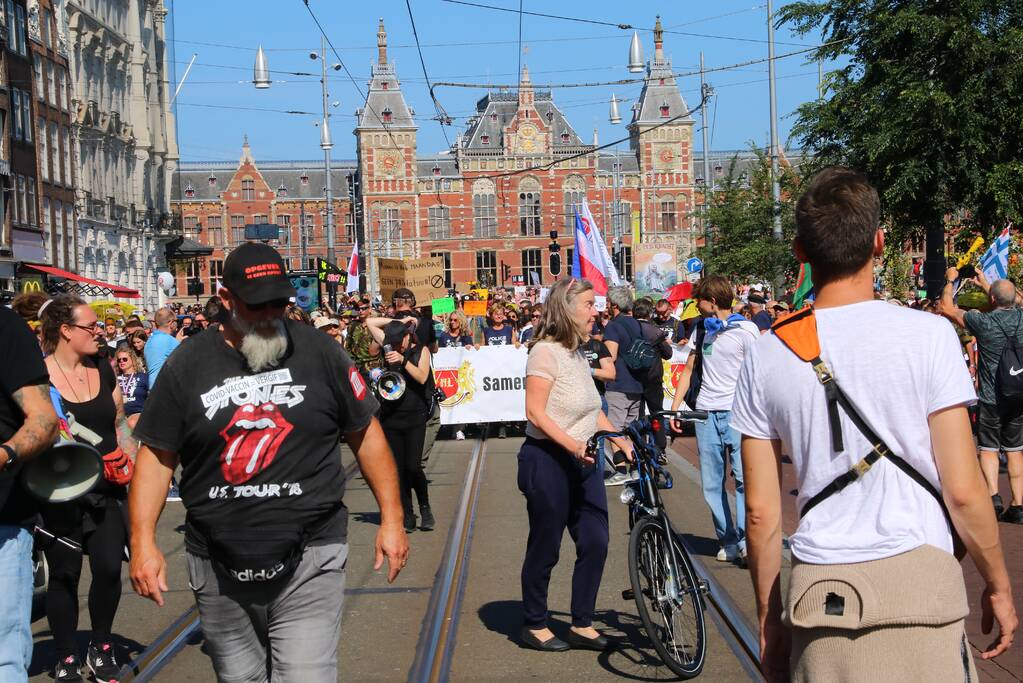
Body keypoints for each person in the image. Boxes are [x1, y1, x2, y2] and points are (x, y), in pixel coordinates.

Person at [735, 167, 1017, 681]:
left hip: (821, 595)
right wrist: (997, 582)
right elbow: (964, 490)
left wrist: (770, 623)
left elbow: (760, 512)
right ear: (879, 242)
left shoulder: (766, 352)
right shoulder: (929, 335)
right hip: (921, 587)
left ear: (800, 251)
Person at [128, 243, 408, 682]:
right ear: (226, 301)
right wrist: (143, 541)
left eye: (279, 302)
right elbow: (157, 458)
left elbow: (366, 435)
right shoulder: (187, 364)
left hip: (312, 553)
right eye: (257, 305)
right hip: (218, 561)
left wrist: (392, 518)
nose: (270, 314)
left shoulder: (320, 353)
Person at [517, 277, 633, 653]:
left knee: (596, 540)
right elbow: (534, 412)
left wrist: (620, 439)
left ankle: (581, 622)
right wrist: (571, 444)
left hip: (584, 460)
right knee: (546, 546)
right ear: (566, 309)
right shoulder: (545, 353)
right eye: (588, 304)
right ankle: (534, 623)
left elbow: (591, 410)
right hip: (548, 460)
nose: (594, 311)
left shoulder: (578, 353)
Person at [40, 294, 139, 682]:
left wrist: (129, 460)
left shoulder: (103, 367)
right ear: (65, 331)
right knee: (64, 574)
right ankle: (65, 655)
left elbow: (118, 422)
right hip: (59, 490)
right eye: (89, 326)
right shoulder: (39, 374)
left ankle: (100, 646)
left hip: (108, 487)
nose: (98, 332)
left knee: (109, 568)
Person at [670, 276, 758, 563]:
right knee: (711, 481)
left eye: (700, 301)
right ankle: (727, 539)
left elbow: (758, 373)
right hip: (706, 411)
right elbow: (689, 368)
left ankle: (747, 540)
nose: (696, 306)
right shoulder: (700, 329)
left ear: (713, 301)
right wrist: (676, 407)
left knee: (745, 479)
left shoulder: (746, 330)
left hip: (737, 412)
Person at [0, 305, 59, 681]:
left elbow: (44, 419)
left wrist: (4, 453)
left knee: (4, 656)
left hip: (2, 524)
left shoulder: (5, 327)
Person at [939, 269, 1023, 523]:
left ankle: (993, 497)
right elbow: (1013, 299)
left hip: (991, 397)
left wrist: (951, 279)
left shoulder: (983, 323)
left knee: (988, 449)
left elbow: (946, 308)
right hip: (1019, 395)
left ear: (993, 300)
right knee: (1015, 451)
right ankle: (1018, 505)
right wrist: (988, 284)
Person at [365, 318, 436, 533]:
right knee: (398, 468)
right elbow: (370, 322)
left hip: (415, 414)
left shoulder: (420, 350)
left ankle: (425, 506)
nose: (395, 346)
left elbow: (422, 377)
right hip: (391, 414)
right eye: (392, 342)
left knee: (413, 466)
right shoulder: (389, 344)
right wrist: (399, 320)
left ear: (407, 337)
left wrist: (403, 361)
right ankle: (407, 511)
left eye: (399, 342)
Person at [601, 286, 645, 484]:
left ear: (615, 305)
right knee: (631, 430)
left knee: (613, 430)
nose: (608, 306)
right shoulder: (637, 324)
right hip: (637, 383)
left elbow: (610, 356)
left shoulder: (613, 325)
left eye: (609, 302)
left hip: (618, 384)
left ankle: (621, 470)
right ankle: (636, 468)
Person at [633, 298, 673, 451]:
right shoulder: (656, 331)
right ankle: (660, 447)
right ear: (649, 313)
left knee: (638, 415)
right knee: (657, 412)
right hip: (653, 378)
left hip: (634, 379)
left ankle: (640, 447)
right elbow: (668, 354)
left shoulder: (628, 329)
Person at [345, 297, 383, 383]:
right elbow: (348, 346)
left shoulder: (377, 325)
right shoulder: (353, 325)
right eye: (358, 309)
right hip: (356, 366)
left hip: (372, 366)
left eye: (364, 308)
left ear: (370, 309)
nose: (360, 311)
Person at [114, 342, 149, 429]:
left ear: (132, 360)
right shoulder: (115, 379)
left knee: (131, 423)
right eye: (119, 360)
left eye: (125, 359)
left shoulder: (143, 377)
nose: (121, 361)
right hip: (120, 414)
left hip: (137, 412)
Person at [143, 307, 180, 386]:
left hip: (153, 388)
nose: (177, 323)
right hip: (164, 389)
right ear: (170, 322)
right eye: (176, 321)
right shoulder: (170, 341)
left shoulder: (150, 340)